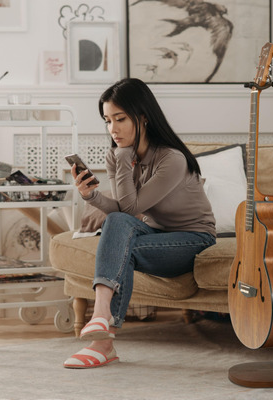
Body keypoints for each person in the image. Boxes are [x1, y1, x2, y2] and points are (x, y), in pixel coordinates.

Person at [63, 78, 216, 369]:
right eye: (107, 120)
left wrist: (122, 158)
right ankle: (102, 320)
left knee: (122, 246)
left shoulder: (172, 159)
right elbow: (122, 212)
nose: (113, 129)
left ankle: (103, 339)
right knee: (118, 225)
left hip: (194, 238)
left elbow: (131, 207)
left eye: (120, 119)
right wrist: (91, 195)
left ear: (143, 117)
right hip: (155, 232)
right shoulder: (118, 154)